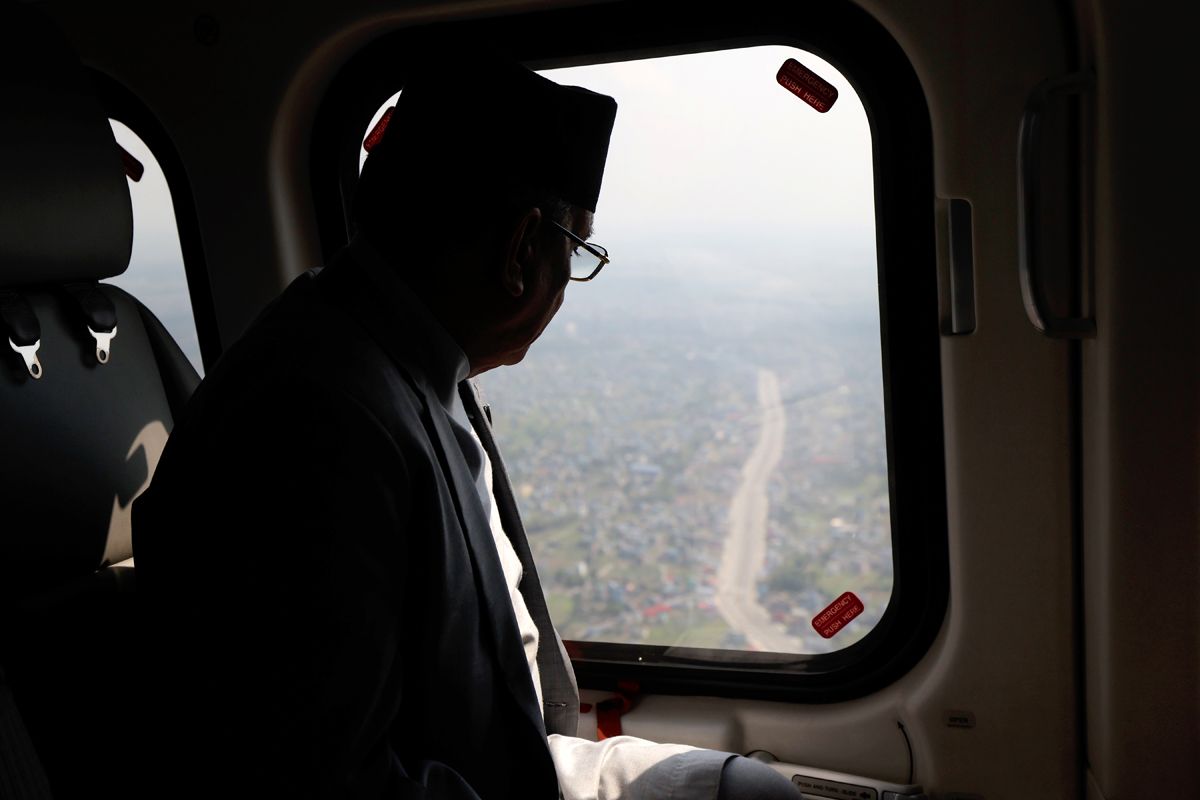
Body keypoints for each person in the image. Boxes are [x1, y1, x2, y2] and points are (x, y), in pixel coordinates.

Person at [133, 52, 797, 799]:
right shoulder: (317, 420)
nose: (568, 284)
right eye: (576, 251)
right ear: (521, 250)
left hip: (495, 759)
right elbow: (324, 777)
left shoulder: (389, 354)